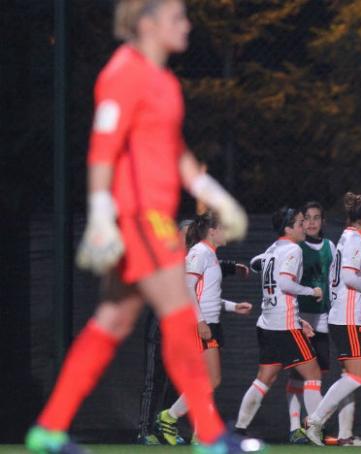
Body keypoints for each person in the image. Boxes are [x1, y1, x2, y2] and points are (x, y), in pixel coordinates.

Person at [25, 1, 256, 453]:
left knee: (111, 322)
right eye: (178, 17)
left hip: (154, 219)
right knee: (177, 318)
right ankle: (210, 437)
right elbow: (103, 148)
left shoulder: (165, 82)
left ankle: (48, 429)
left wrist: (220, 196)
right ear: (148, 23)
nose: (187, 25)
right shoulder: (123, 72)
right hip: (139, 219)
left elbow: (177, 154)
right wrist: (98, 216)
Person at [155, 212, 253, 445]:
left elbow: (206, 295)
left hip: (209, 323)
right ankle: (171, 417)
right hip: (200, 325)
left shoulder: (209, 254)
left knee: (205, 381)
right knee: (210, 380)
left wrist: (232, 306)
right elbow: (187, 289)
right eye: (224, 228)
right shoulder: (200, 252)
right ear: (212, 231)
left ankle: (198, 433)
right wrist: (199, 322)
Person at [234, 208, 324, 434]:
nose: (305, 227)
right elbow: (285, 284)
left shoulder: (273, 249)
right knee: (313, 375)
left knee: (264, 379)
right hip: (285, 326)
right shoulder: (293, 249)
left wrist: (299, 318)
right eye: (300, 223)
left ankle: (240, 428)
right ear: (288, 228)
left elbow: (256, 263)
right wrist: (311, 291)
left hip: (267, 323)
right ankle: (314, 431)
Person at [305, 193, 361, 446]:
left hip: (341, 314)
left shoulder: (346, 238)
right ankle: (315, 421)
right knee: (357, 376)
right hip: (348, 315)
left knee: (350, 375)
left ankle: (345, 434)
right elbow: (349, 277)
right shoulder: (356, 240)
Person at [136, 219, 192, 445]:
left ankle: (165, 428)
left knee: (177, 382)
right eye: (186, 234)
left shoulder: (195, 259)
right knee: (154, 381)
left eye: (193, 235)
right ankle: (144, 431)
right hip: (159, 329)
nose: (189, 239)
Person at [285, 201, 335, 444]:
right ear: (301, 222)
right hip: (300, 317)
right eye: (308, 218)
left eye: (317, 217)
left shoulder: (330, 246)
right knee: (298, 376)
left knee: (318, 375)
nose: (312, 222)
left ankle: (311, 425)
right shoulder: (294, 247)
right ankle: (296, 427)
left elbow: (334, 280)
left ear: (323, 221)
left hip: (322, 318)